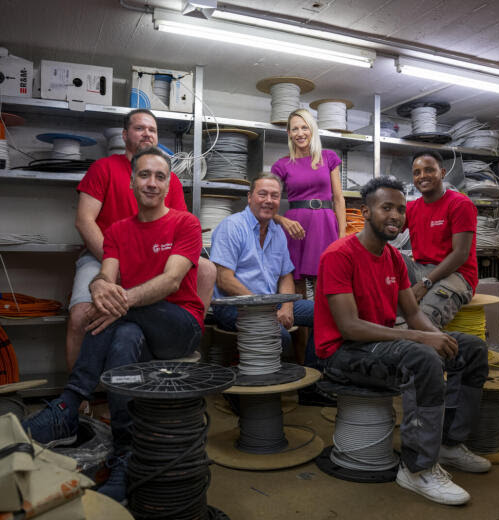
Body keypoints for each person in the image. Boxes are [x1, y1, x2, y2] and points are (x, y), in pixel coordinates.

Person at [23, 148, 204, 503]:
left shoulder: (186, 223)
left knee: (116, 315)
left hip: (179, 326)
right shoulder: (119, 231)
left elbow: (170, 282)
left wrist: (119, 301)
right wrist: (99, 288)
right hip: (136, 327)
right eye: (144, 175)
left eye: (160, 176)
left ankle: (68, 406)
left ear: (168, 184)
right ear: (131, 181)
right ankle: (126, 453)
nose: (151, 183)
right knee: (122, 337)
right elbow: (105, 276)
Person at [314, 176, 489, 506]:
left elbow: (413, 314)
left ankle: (449, 444)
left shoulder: (394, 258)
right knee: (422, 357)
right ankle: (417, 468)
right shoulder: (339, 255)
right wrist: (421, 339)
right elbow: (350, 327)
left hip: (380, 343)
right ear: (365, 211)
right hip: (344, 352)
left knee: (471, 349)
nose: (395, 216)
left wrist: (438, 337)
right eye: (386, 208)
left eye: (400, 210)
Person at [67, 108, 215, 369]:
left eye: (153, 130)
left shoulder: (172, 182)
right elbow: (84, 221)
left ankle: (185, 339)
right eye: (139, 128)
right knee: (82, 315)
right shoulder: (103, 168)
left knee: (206, 269)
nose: (147, 133)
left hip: (153, 255)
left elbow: (177, 225)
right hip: (103, 253)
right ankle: (82, 398)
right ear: (125, 135)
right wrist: (117, 268)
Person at [210, 173, 314, 363]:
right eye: (262, 194)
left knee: (324, 313)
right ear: (250, 198)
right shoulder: (232, 226)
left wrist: (288, 307)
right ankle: (266, 386)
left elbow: (285, 275)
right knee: (280, 337)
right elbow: (224, 279)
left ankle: (313, 376)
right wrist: (264, 307)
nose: (268, 200)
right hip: (234, 306)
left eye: (274, 196)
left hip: (270, 303)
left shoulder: (277, 232)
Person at [271, 108, 346, 293]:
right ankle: (302, 321)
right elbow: (267, 202)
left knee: (324, 280)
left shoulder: (329, 157)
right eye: (295, 129)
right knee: (296, 283)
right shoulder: (281, 165)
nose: (300, 133)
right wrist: (282, 220)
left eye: (304, 127)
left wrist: (342, 235)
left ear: (312, 130)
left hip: (325, 224)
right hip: (295, 226)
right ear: (289, 133)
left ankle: (321, 322)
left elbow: (338, 199)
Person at [403, 150, 477, 328]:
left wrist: (425, 283)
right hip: (421, 269)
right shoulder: (411, 208)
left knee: (423, 321)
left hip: (457, 274)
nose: (423, 176)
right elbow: (386, 231)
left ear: (442, 173)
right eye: (417, 172)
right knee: (391, 257)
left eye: (429, 170)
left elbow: (460, 254)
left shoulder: (460, 204)